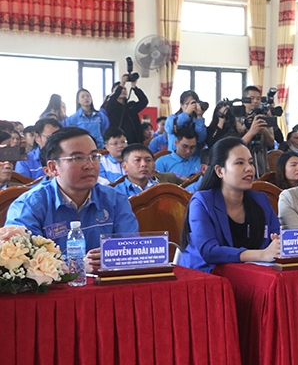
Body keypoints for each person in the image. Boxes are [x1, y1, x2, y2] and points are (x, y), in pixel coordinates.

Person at [6, 127, 139, 273]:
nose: (89, 165)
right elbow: (24, 261)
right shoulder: (28, 206)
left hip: (108, 286)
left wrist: (115, 257)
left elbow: (130, 248)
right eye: (77, 158)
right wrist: (77, 266)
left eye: (94, 157)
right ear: (53, 167)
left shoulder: (115, 200)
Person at [179, 137, 281, 273]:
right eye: (239, 163)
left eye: (250, 163)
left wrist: (278, 244)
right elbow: (209, 251)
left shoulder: (260, 200)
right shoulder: (202, 201)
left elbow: (279, 237)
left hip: (251, 276)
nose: (249, 168)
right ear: (220, 171)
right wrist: (262, 254)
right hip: (209, 277)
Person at [114, 143, 182, 198]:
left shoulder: (163, 189)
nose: (144, 164)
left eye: (148, 160)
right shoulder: (116, 193)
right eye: (137, 160)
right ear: (125, 166)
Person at [103, 74, 148, 147]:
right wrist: (121, 84)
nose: (123, 90)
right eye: (120, 89)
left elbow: (144, 101)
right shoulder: (111, 106)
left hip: (135, 140)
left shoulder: (131, 105)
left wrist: (134, 87)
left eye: (124, 89)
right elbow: (111, 100)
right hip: (118, 141)